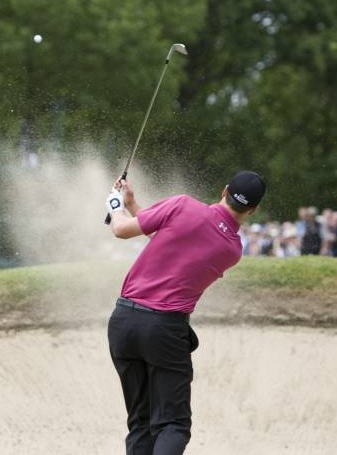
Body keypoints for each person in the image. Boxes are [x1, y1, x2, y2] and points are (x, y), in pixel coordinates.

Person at [105, 170, 266, 455]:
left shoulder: (183, 205)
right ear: (252, 210)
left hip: (123, 322)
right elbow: (174, 236)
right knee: (173, 425)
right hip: (164, 331)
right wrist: (131, 205)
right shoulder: (232, 250)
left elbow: (125, 230)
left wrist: (115, 205)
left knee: (140, 423)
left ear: (224, 190)